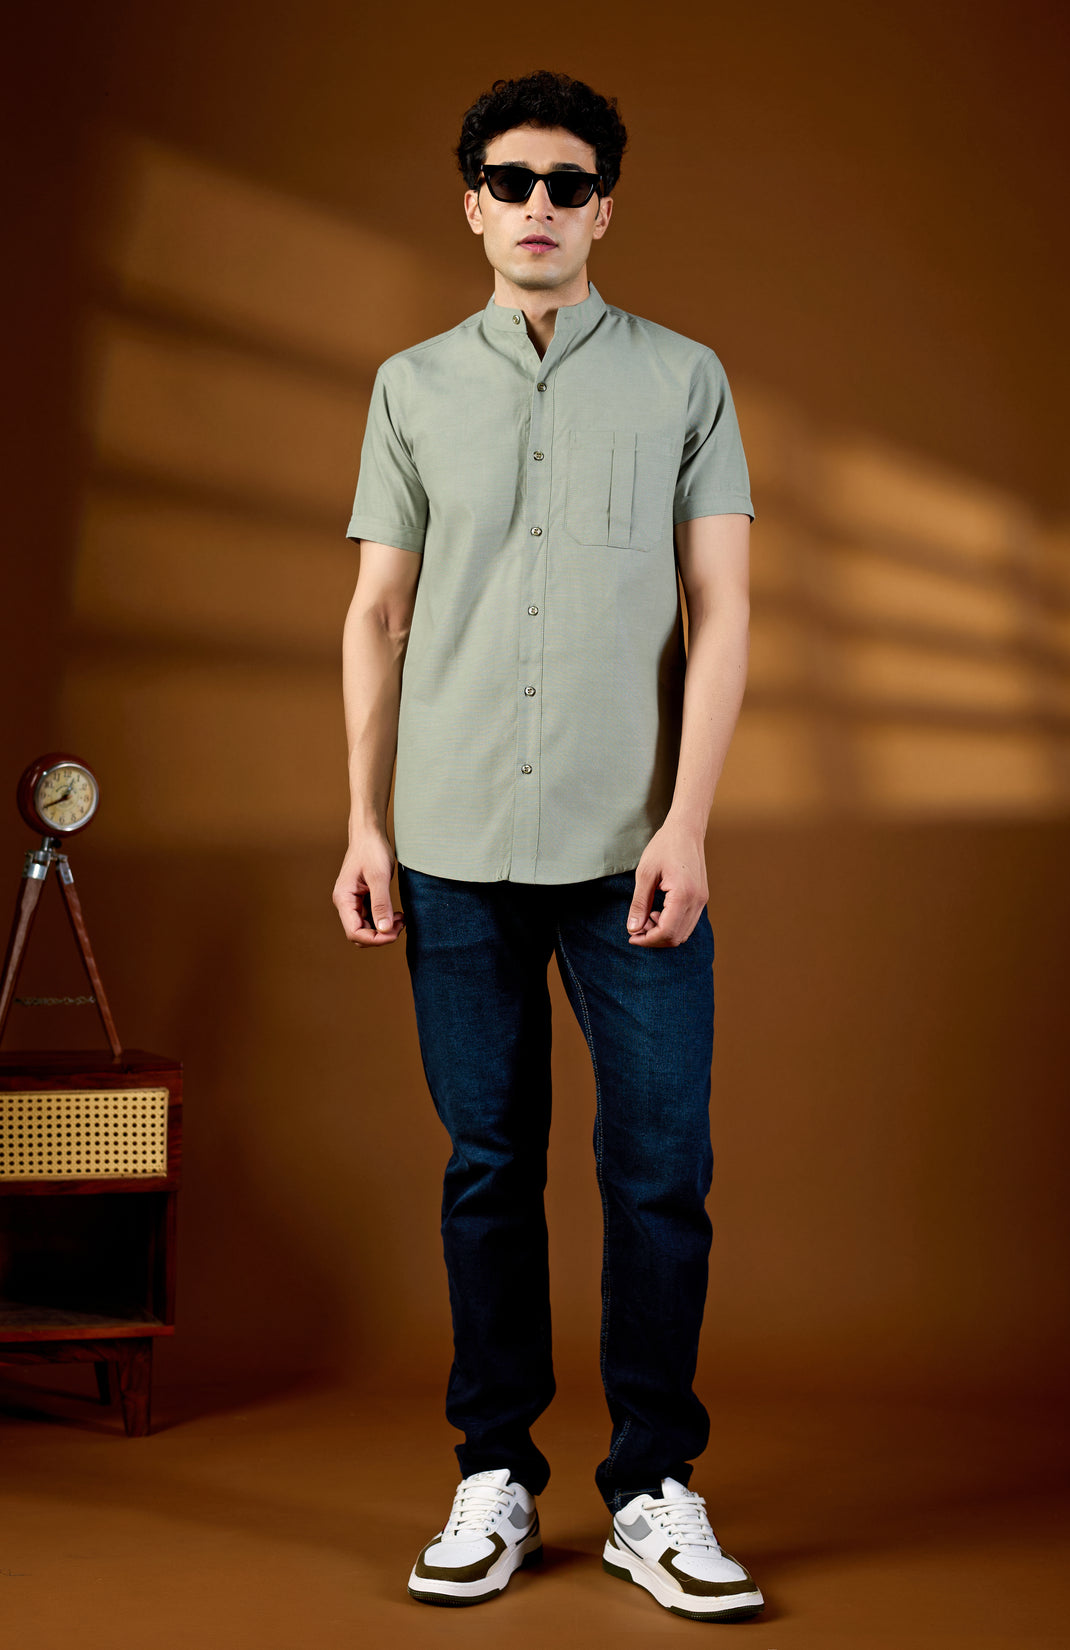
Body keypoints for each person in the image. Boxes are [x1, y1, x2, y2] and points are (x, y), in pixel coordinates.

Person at [333, 68, 763, 1624]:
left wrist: (689, 822)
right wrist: (365, 821)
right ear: (472, 204)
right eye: (510, 181)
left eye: (566, 184)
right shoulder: (410, 387)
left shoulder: (685, 379)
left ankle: (652, 1486)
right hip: (451, 843)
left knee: (659, 1170)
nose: (537, 206)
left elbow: (723, 613)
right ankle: (495, 1471)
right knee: (487, 1165)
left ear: (603, 209)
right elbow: (378, 613)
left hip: (631, 845)